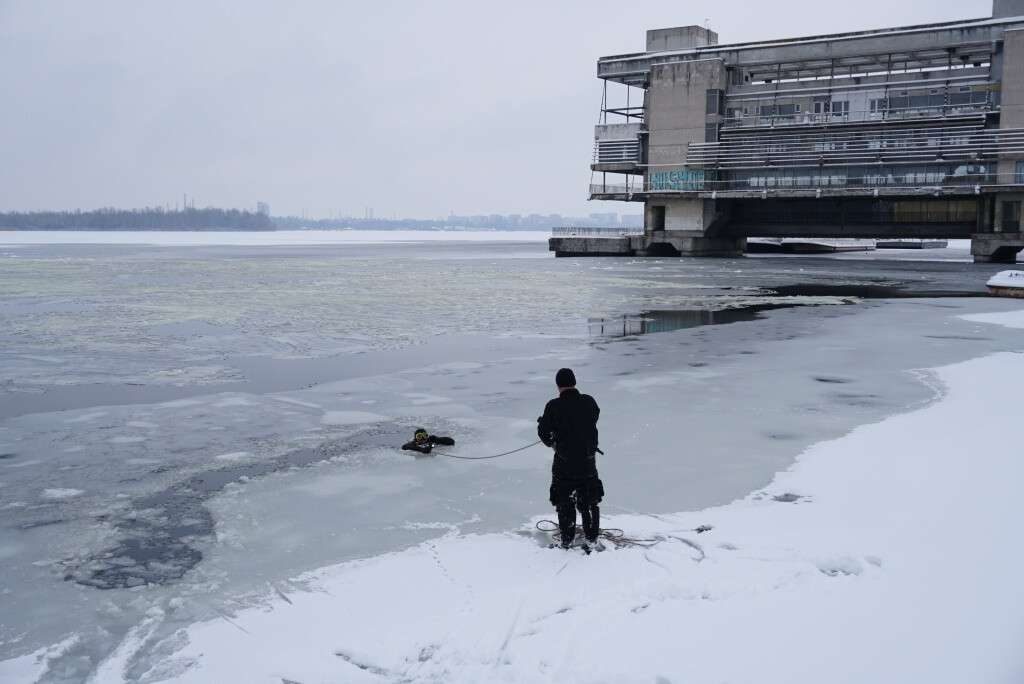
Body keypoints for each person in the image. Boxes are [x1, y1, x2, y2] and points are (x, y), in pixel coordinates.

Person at [537, 368, 604, 548]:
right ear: (574, 382)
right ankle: (591, 537)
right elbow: (594, 416)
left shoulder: (553, 406)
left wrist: (554, 443)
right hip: (587, 461)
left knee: (564, 500)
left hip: (564, 463)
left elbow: (543, 433)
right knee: (589, 499)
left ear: (558, 385)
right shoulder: (589, 401)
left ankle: (567, 538)